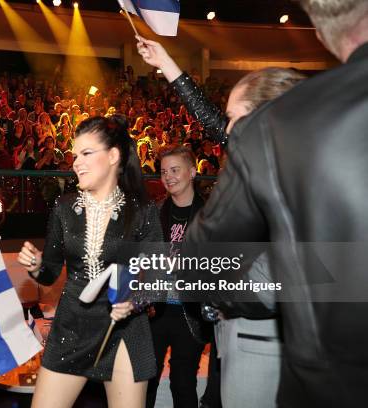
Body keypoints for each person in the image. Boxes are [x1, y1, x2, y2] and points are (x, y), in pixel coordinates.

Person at [160, 0, 368, 406]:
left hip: (281, 351)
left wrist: (224, 299)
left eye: (237, 118)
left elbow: (203, 261)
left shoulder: (276, 138)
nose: (231, 129)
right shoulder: (303, 136)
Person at [137, 36, 306, 408]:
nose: (225, 130)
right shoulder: (268, 165)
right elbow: (208, 120)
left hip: (264, 341)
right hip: (237, 335)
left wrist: (215, 294)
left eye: (233, 118)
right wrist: (167, 64)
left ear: (267, 117)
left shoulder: (296, 177)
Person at [16, 115, 163, 408]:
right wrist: (36, 267)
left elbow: (159, 278)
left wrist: (136, 301)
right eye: (74, 155)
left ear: (113, 156)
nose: (76, 162)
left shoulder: (143, 211)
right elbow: (51, 272)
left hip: (124, 329)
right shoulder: (64, 207)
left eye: (86, 153)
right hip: (72, 325)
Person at [145, 145, 212, 408]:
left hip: (190, 314)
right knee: (146, 381)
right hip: (156, 311)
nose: (168, 177)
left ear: (192, 172)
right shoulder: (156, 211)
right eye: (164, 172)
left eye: (175, 170)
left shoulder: (211, 215)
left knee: (183, 383)